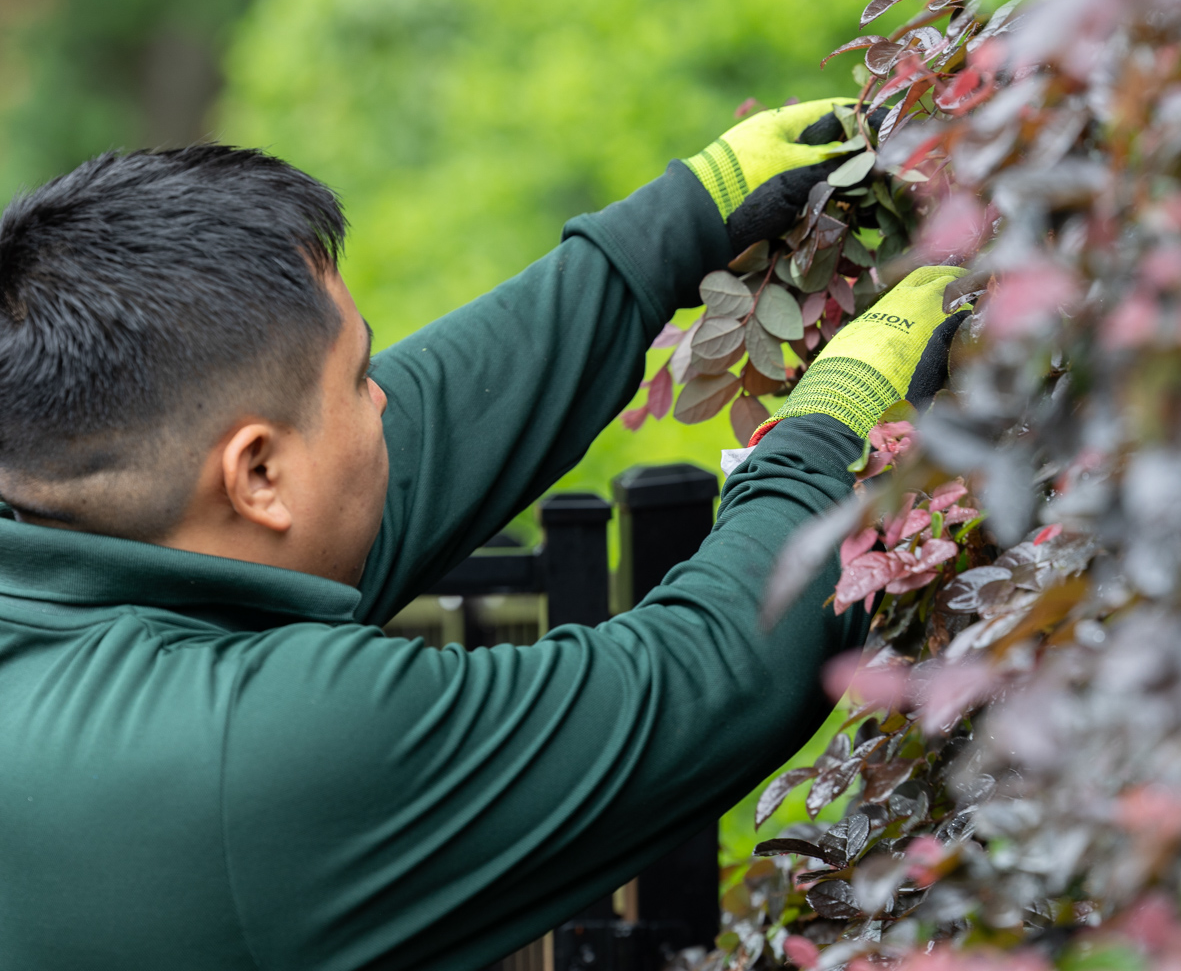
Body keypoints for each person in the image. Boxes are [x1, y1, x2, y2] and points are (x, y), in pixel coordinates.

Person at [0, 98, 967, 970]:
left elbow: (405, 448)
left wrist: (673, 226)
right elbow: (702, 682)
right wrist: (832, 437)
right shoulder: (241, 761)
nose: (383, 403)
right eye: (359, 380)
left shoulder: (69, 545)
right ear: (256, 475)